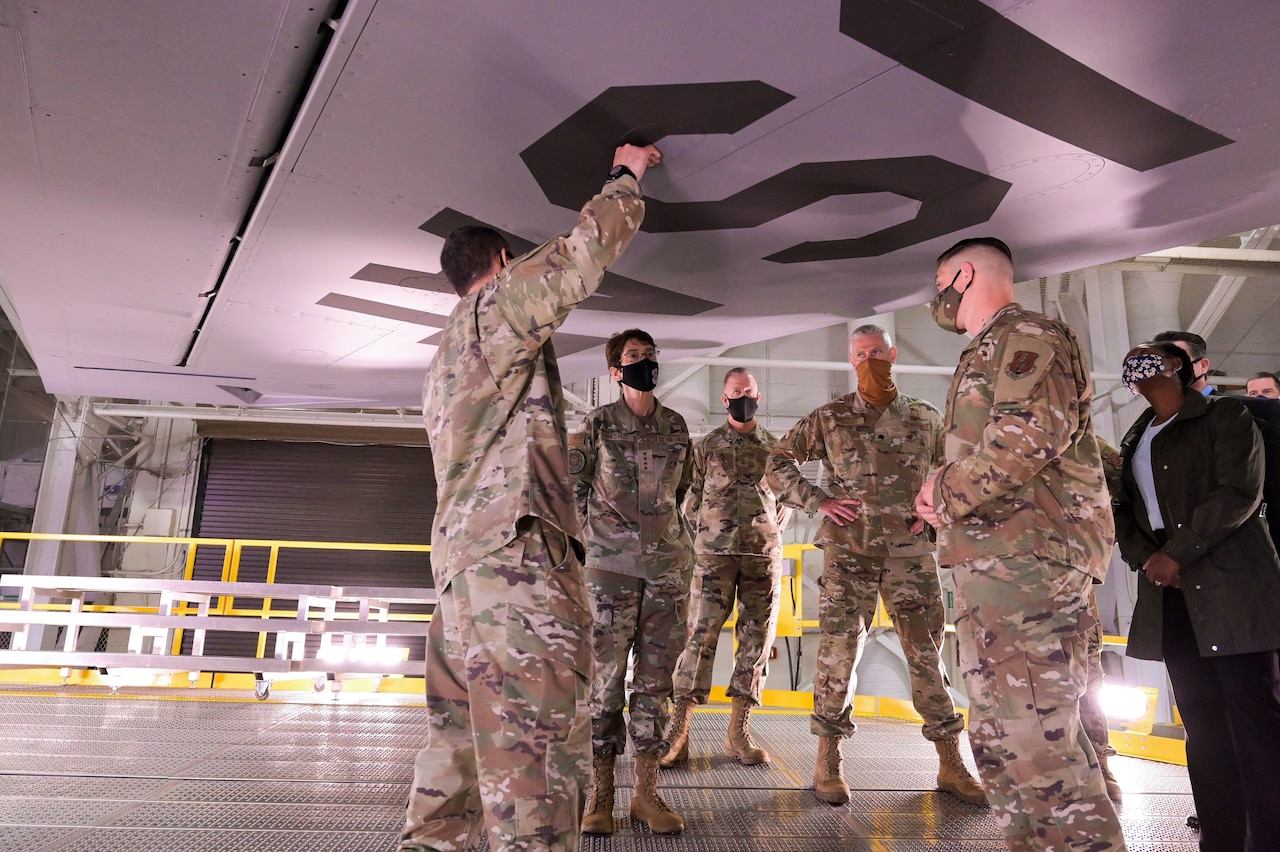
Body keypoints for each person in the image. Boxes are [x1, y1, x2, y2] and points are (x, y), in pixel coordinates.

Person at [399, 142, 661, 852]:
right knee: (534, 769)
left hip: (461, 585)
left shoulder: (442, 359)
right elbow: (583, 251)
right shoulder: (497, 311)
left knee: (451, 770)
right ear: (503, 263)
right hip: (515, 577)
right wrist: (626, 174)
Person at [914, 237, 1125, 851]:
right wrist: (936, 497)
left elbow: (1029, 436)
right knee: (1001, 746)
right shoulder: (986, 349)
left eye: (940, 280)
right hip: (991, 567)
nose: (937, 297)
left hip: (1027, 564)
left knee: (1039, 742)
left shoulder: (1029, 337)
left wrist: (943, 490)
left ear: (965, 273)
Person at [765, 324, 986, 807]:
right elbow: (777, 461)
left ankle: (950, 761)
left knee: (927, 658)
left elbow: (955, 472)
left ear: (893, 353)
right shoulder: (830, 417)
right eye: (861, 354)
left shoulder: (927, 418)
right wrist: (816, 500)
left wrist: (935, 510)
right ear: (851, 360)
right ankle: (828, 759)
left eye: (877, 353)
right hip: (850, 553)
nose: (870, 361)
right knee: (837, 657)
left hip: (911, 557)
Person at [1113, 340, 1280, 851]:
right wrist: (1149, 558)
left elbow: (1239, 493)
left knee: (1256, 723)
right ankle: (1220, 838)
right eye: (1134, 363)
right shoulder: (1137, 434)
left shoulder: (1227, 416)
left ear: (1182, 368)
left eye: (1153, 360)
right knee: (1204, 727)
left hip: (1232, 586)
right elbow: (1125, 509)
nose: (1140, 369)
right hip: (1172, 593)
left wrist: (1179, 554)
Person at [571, 329, 694, 836]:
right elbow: (575, 493)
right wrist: (597, 546)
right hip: (609, 573)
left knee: (655, 684)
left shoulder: (676, 426)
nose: (645, 363)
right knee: (603, 685)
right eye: (633, 358)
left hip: (667, 569)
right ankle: (600, 796)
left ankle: (646, 795)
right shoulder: (596, 425)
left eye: (649, 356)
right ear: (615, 372)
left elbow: (683, 489)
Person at [662, 368, 790, 769]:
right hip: (713, 557)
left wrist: (764, 532)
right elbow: (690, 500)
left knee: (756, 642)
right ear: (724, 398)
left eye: (749, 391)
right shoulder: (706, 447)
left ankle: (739, 732)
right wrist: (711, 534)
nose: (743, 397)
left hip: (761, 557)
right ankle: (679, 729)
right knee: (698, 639)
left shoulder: (775, 448)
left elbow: (783, 505)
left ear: (759, 395)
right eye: (736, 392)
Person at [1154, 331, 1280, 546]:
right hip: (1182, 550)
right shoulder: (1151, 428)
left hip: (1255, 543)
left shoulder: (1258, 410)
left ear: (1202, 366)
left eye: (1177, 361)